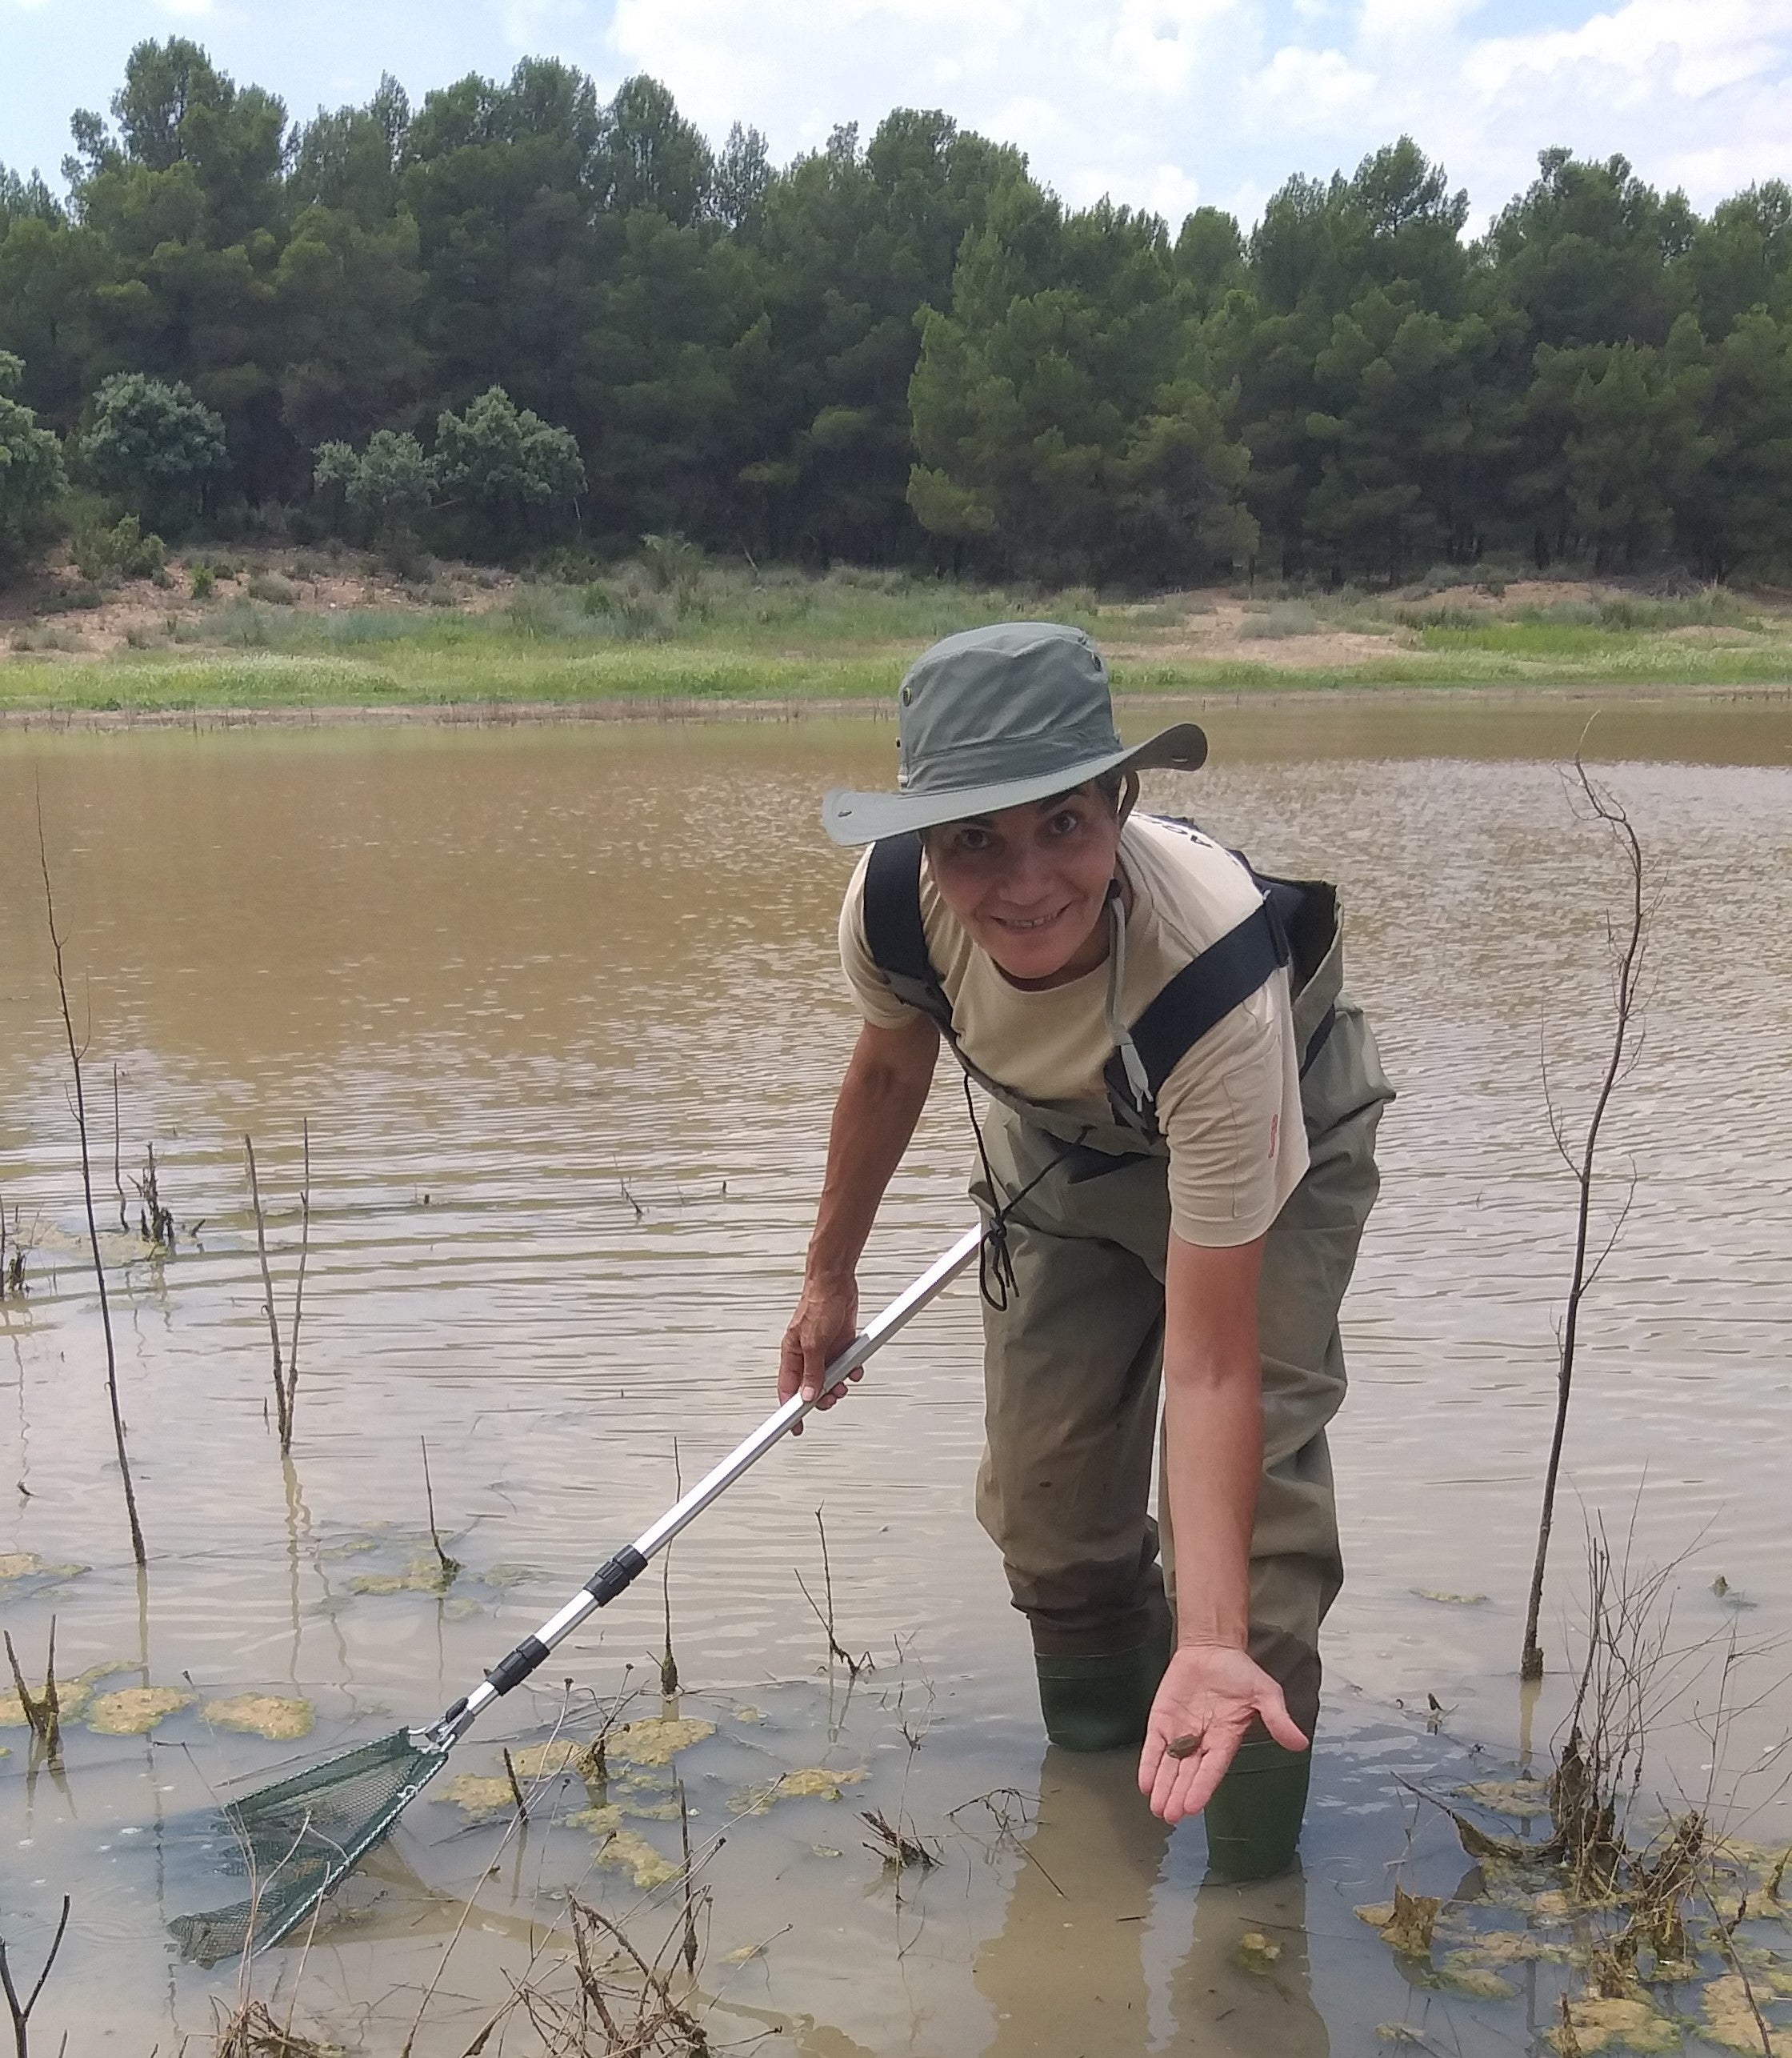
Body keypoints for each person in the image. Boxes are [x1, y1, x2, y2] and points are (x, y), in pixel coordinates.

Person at [779, 621, 1391, 1880]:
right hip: (1064, 1148)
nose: (1026, 881)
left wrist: (1211, 1636)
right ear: (927, 844)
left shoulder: (1210, 972)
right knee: (1048, 1515)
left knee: (1251, 1520)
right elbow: (892, 1064)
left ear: (1121, 802)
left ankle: (1249, 1907)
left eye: (1065, 823)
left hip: (1268, 1132)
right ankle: (1109, 1830)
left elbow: (1214, 1370)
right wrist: (829, 1275)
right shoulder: (892, 908)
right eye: (975, 842)